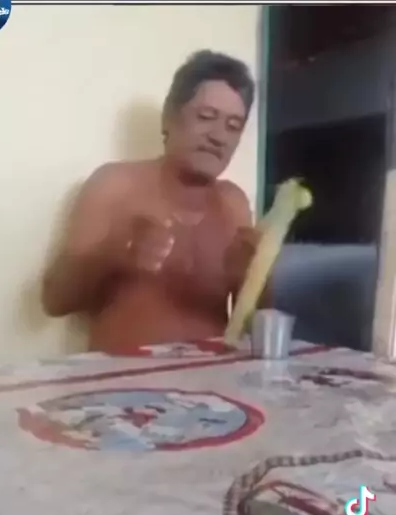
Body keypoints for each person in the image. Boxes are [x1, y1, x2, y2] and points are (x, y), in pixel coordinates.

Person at [42, 50, 264, 353]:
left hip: (214, 374)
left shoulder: (234, 204)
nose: (218, 136)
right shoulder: (114, 185)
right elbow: (54, 301)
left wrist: (257, 277)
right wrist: (115, 253)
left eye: (233, 126)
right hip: (123, 376)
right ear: (168, 119)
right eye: (206, 117)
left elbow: (253, 326)